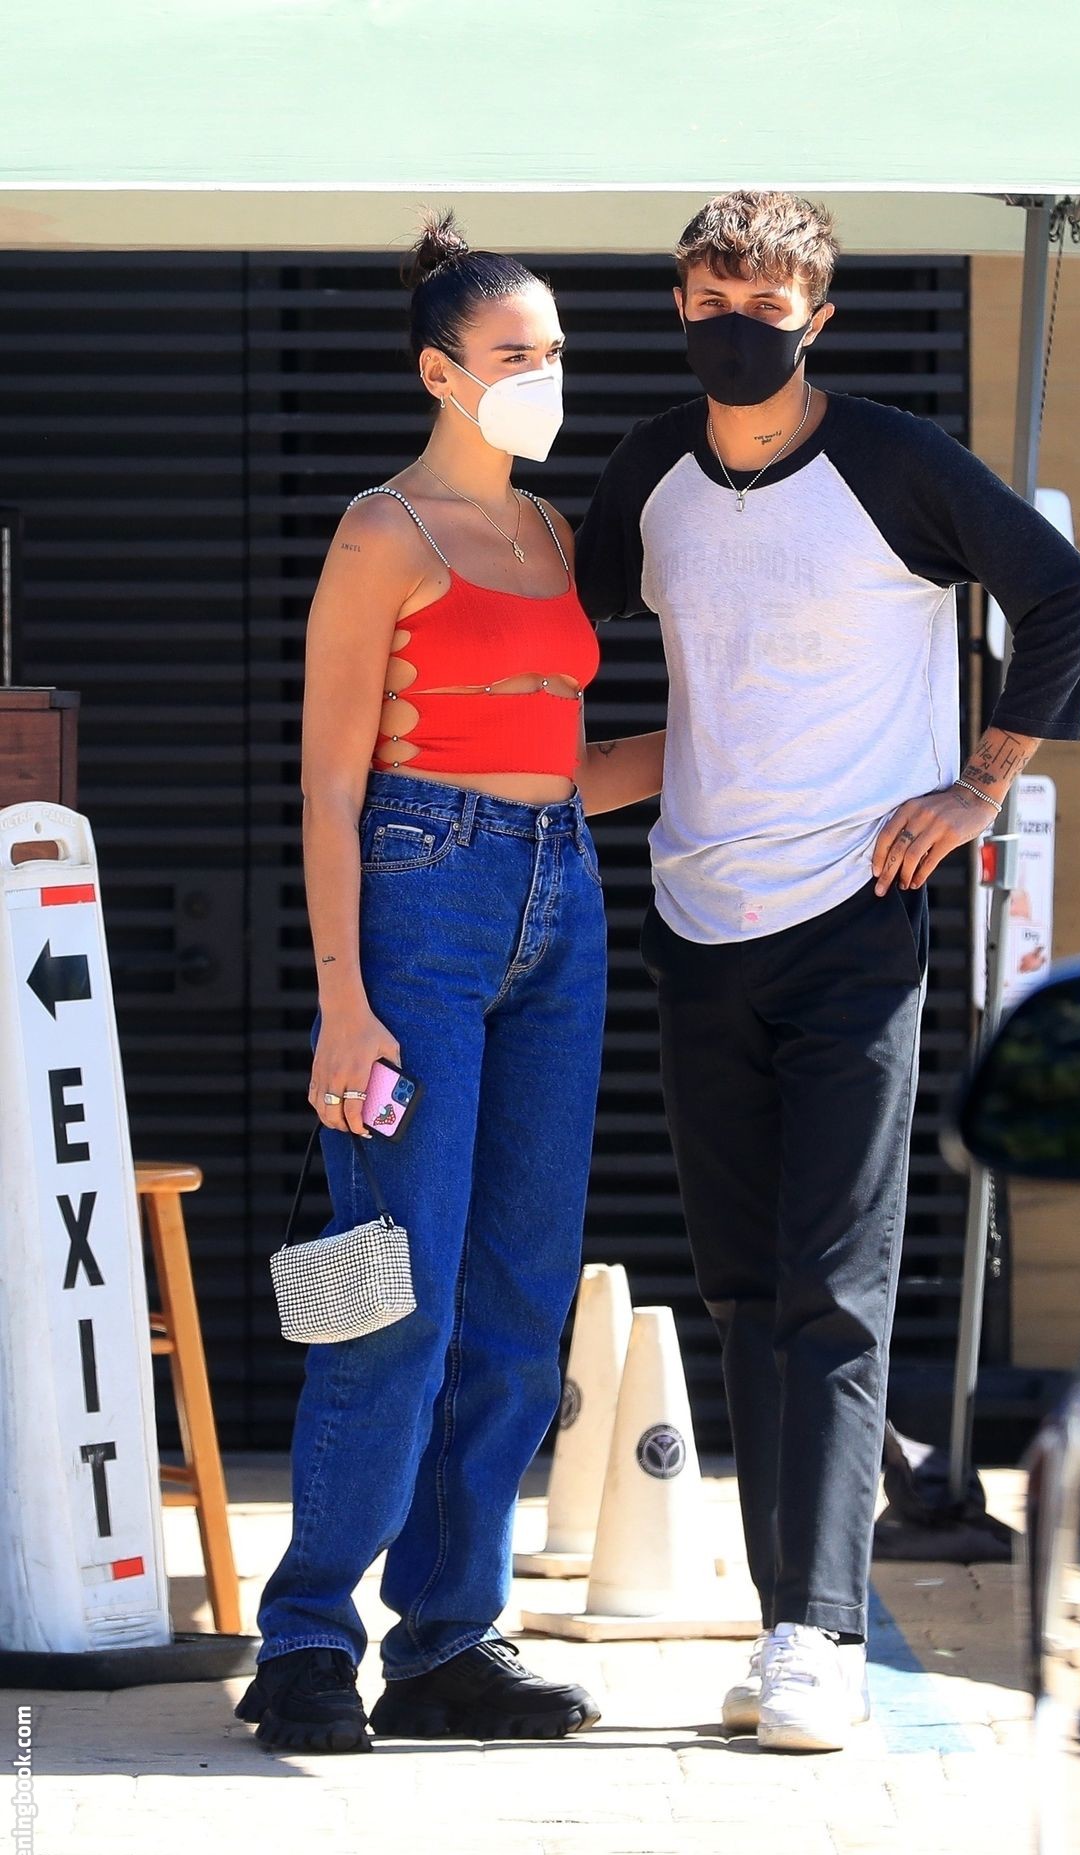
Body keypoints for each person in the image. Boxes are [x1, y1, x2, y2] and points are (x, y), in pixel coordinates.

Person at [574, 190, 1080, 1754]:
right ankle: (781, 1620)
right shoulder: (650, 471)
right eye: (710, 296)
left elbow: (1064, 598)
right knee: (744, 1288)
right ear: (679, 304)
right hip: (695, 917)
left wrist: (979, 786)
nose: (735, 320)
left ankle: (823, 1632)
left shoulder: (894, 462)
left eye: (766, 299)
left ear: (818, 316)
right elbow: (563, 637)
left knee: (833, 1282)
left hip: (856, 918)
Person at [236, 213, 664, 1753]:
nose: (546, 373)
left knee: (518, 1301)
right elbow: (329, 784)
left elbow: (565, 767)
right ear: (441, 372)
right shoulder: (383, 533)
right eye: (514, 353)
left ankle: (447, 1642)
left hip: (563, 896)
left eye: (555, 350)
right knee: (390, 1295)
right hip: (415, 901)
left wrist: (744, 737)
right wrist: (343, 1001)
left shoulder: (551, 533)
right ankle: (305, 1641)